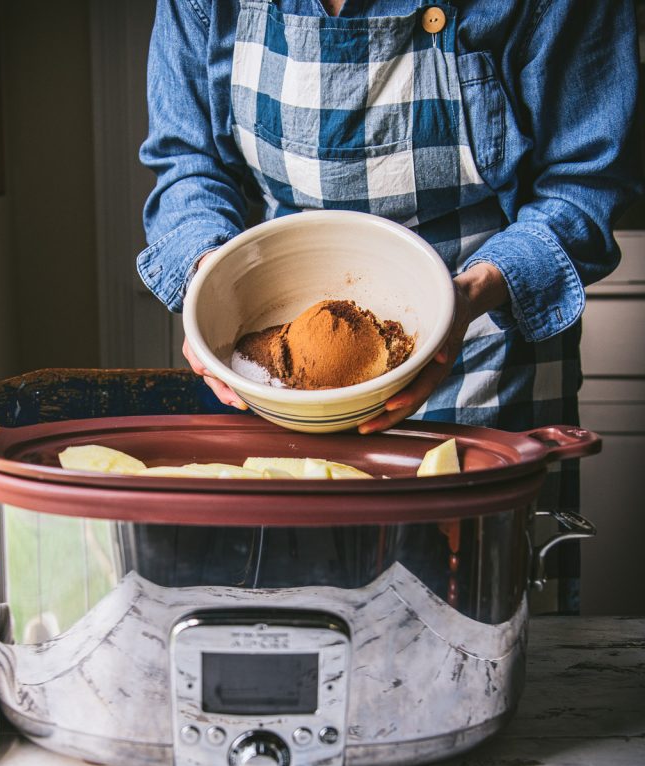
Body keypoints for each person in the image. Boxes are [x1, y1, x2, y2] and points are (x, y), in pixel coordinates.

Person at [136, 0, 642, 611]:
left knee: (471, 618)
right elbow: (187, 162)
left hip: (485, 344)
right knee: (299, 617)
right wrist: (205, 279)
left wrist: (470, 297)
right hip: (276, 377)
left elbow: (585, 181)